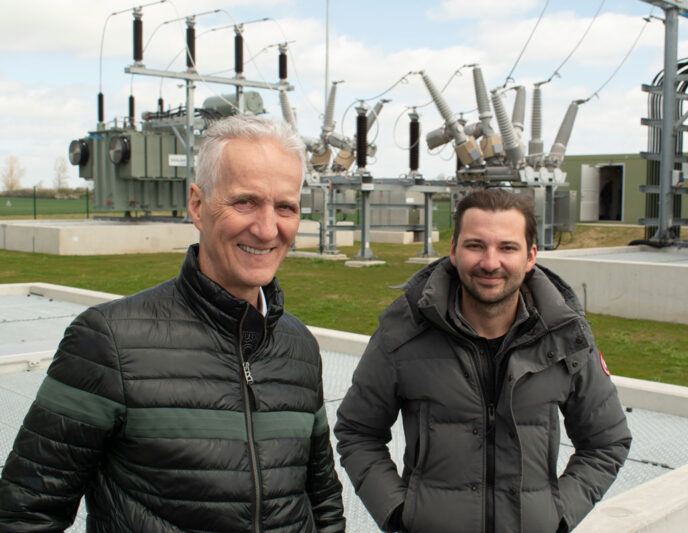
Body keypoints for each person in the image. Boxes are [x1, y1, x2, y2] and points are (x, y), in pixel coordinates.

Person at [0, 115, 346, 532]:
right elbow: (24, 514)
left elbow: (322, 501)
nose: (267, 228)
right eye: (245, 202)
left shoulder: (299, 346)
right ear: (197, 206)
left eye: (285, 207)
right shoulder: (108, 343)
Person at [335, 188, 631, 533]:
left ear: (531, 256)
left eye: (507, 247)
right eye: (475, 245)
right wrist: (401, 512)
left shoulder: (566, 337)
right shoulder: (403, 333)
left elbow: (607, 441)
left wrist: (558, 514)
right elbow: (357, 431)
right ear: (454, 252)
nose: (491, 263)